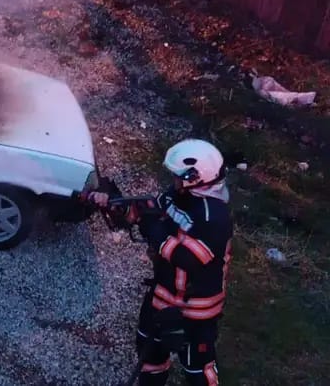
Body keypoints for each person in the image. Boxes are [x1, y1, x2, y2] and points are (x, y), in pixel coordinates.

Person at [89, 139, 233, 386]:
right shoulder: (176, 195)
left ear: (194, 178)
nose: (173, 180)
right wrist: (113, 202)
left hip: (195, 310)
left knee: (198, 369)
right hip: (162, 295)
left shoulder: (214, 217)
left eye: (177, 176)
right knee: (150, 355)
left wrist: (152, 228)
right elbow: (143, 212)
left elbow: (187, 258)